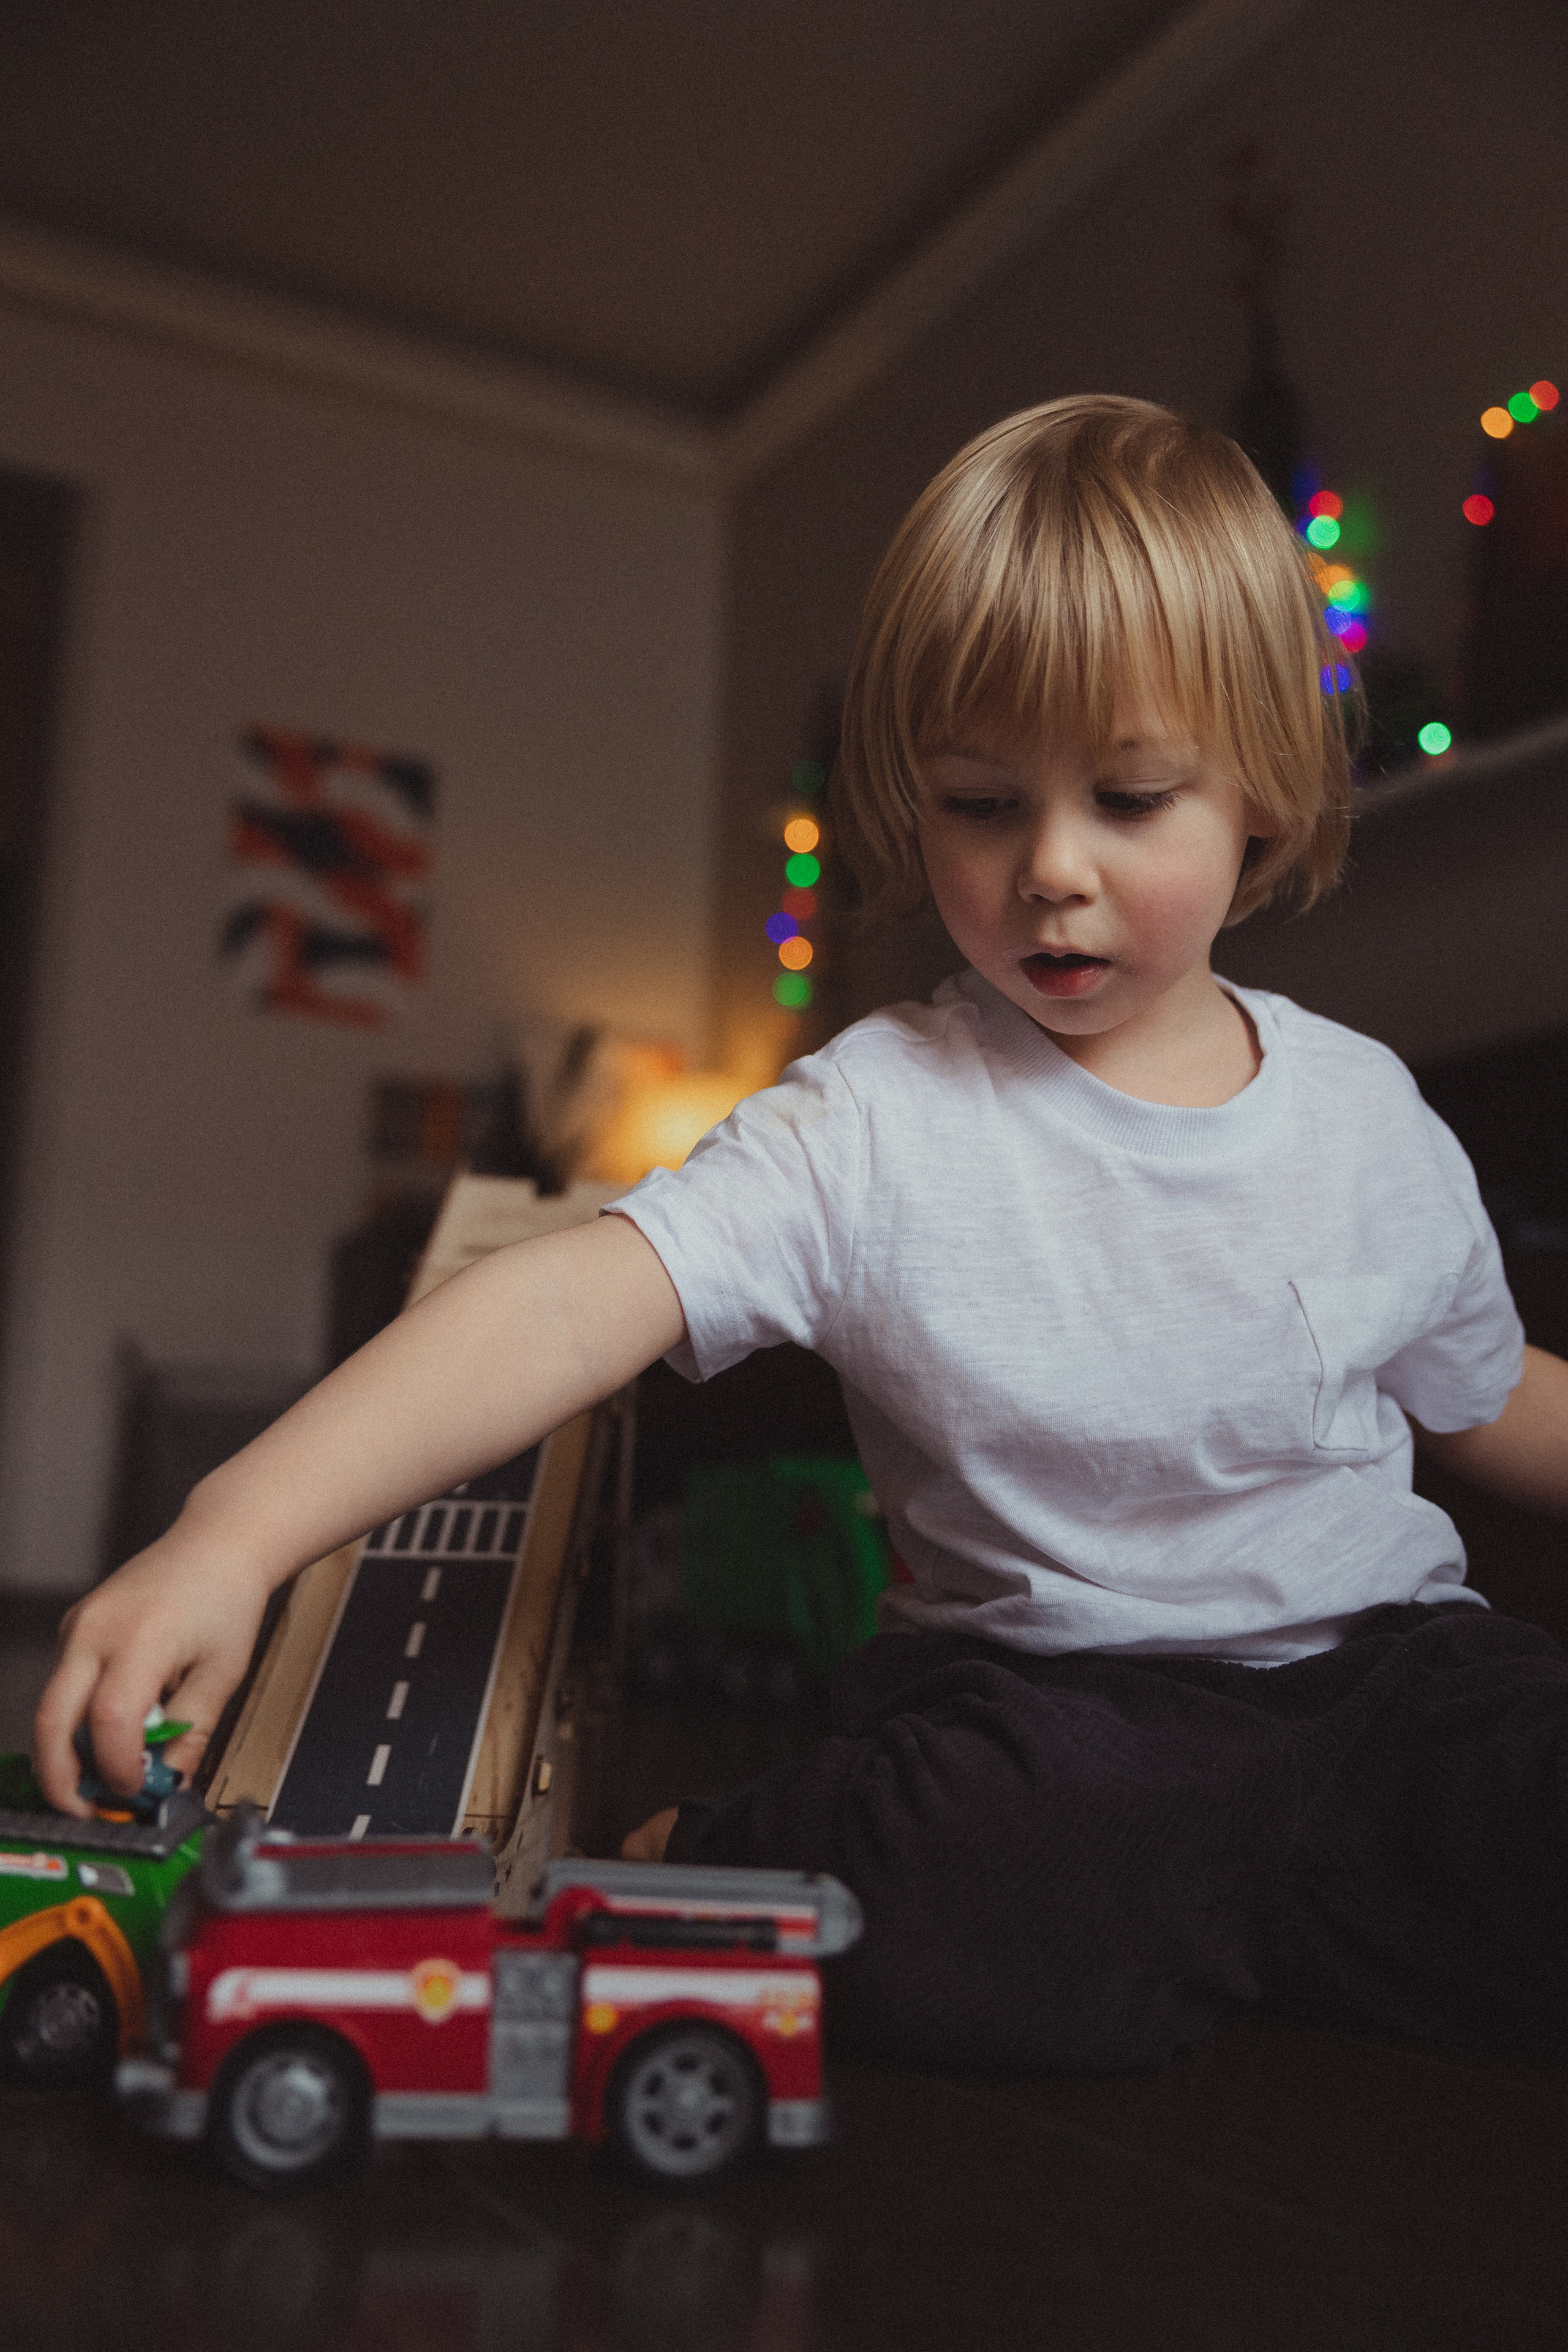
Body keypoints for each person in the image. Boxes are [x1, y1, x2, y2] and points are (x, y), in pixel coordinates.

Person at [35, 395, 1568, 2071]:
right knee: (978, 1871)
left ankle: (1243, 1927)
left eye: (1131, 798)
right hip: (1061, 1711)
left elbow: (1488, 1395)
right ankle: (734, 1848)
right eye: (981, 803)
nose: (1052, 868)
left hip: (1387, 1683)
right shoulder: (877, 1117)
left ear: (1261, 793)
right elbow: (565, 1307)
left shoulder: (1364, 1115)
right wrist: (235, 1533)